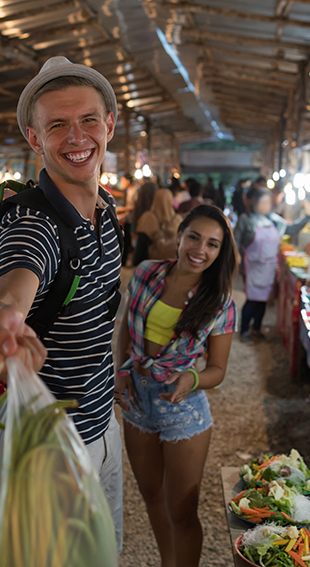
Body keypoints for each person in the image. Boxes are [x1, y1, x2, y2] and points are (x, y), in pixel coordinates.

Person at [0, 56, 124, 550]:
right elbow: (8, 292)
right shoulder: (33, 225)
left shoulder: (106, 212)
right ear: (34, 139)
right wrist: (1, 323)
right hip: (49, 445)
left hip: (103, 425)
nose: (77, 137)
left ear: (110, 124)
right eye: (57, 125)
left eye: (87, 120)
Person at [116, 205, 239, 567]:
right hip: (137, 399)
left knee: (182, 510)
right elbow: (126, 325)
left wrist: (192, 378)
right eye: (195, 237)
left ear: (220, 253)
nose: (201, 249)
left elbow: (218, 369)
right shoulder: (145, 273)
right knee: (151, 495)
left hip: (182, 408)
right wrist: (121, 370)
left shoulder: (218, 301)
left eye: (213, 245)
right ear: (180, 235)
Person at [236, 188, 310, 339]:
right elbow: (235, 239)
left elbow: (293, 228)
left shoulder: (274, 220)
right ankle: (244, 330)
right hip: (252, 267)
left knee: (263, 300)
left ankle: (256, 329)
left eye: (267, 202)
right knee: (251, 299)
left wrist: (308, 214)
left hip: (269, 268)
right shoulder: (246, 219)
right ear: (254, 203)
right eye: (261, 202)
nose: (265, 205)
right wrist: (236, 257)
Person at [134, 188, 183, 265]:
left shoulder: (147, 217)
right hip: (171, 264)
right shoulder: (178, 220)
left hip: (149, 265)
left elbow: (141, 248)